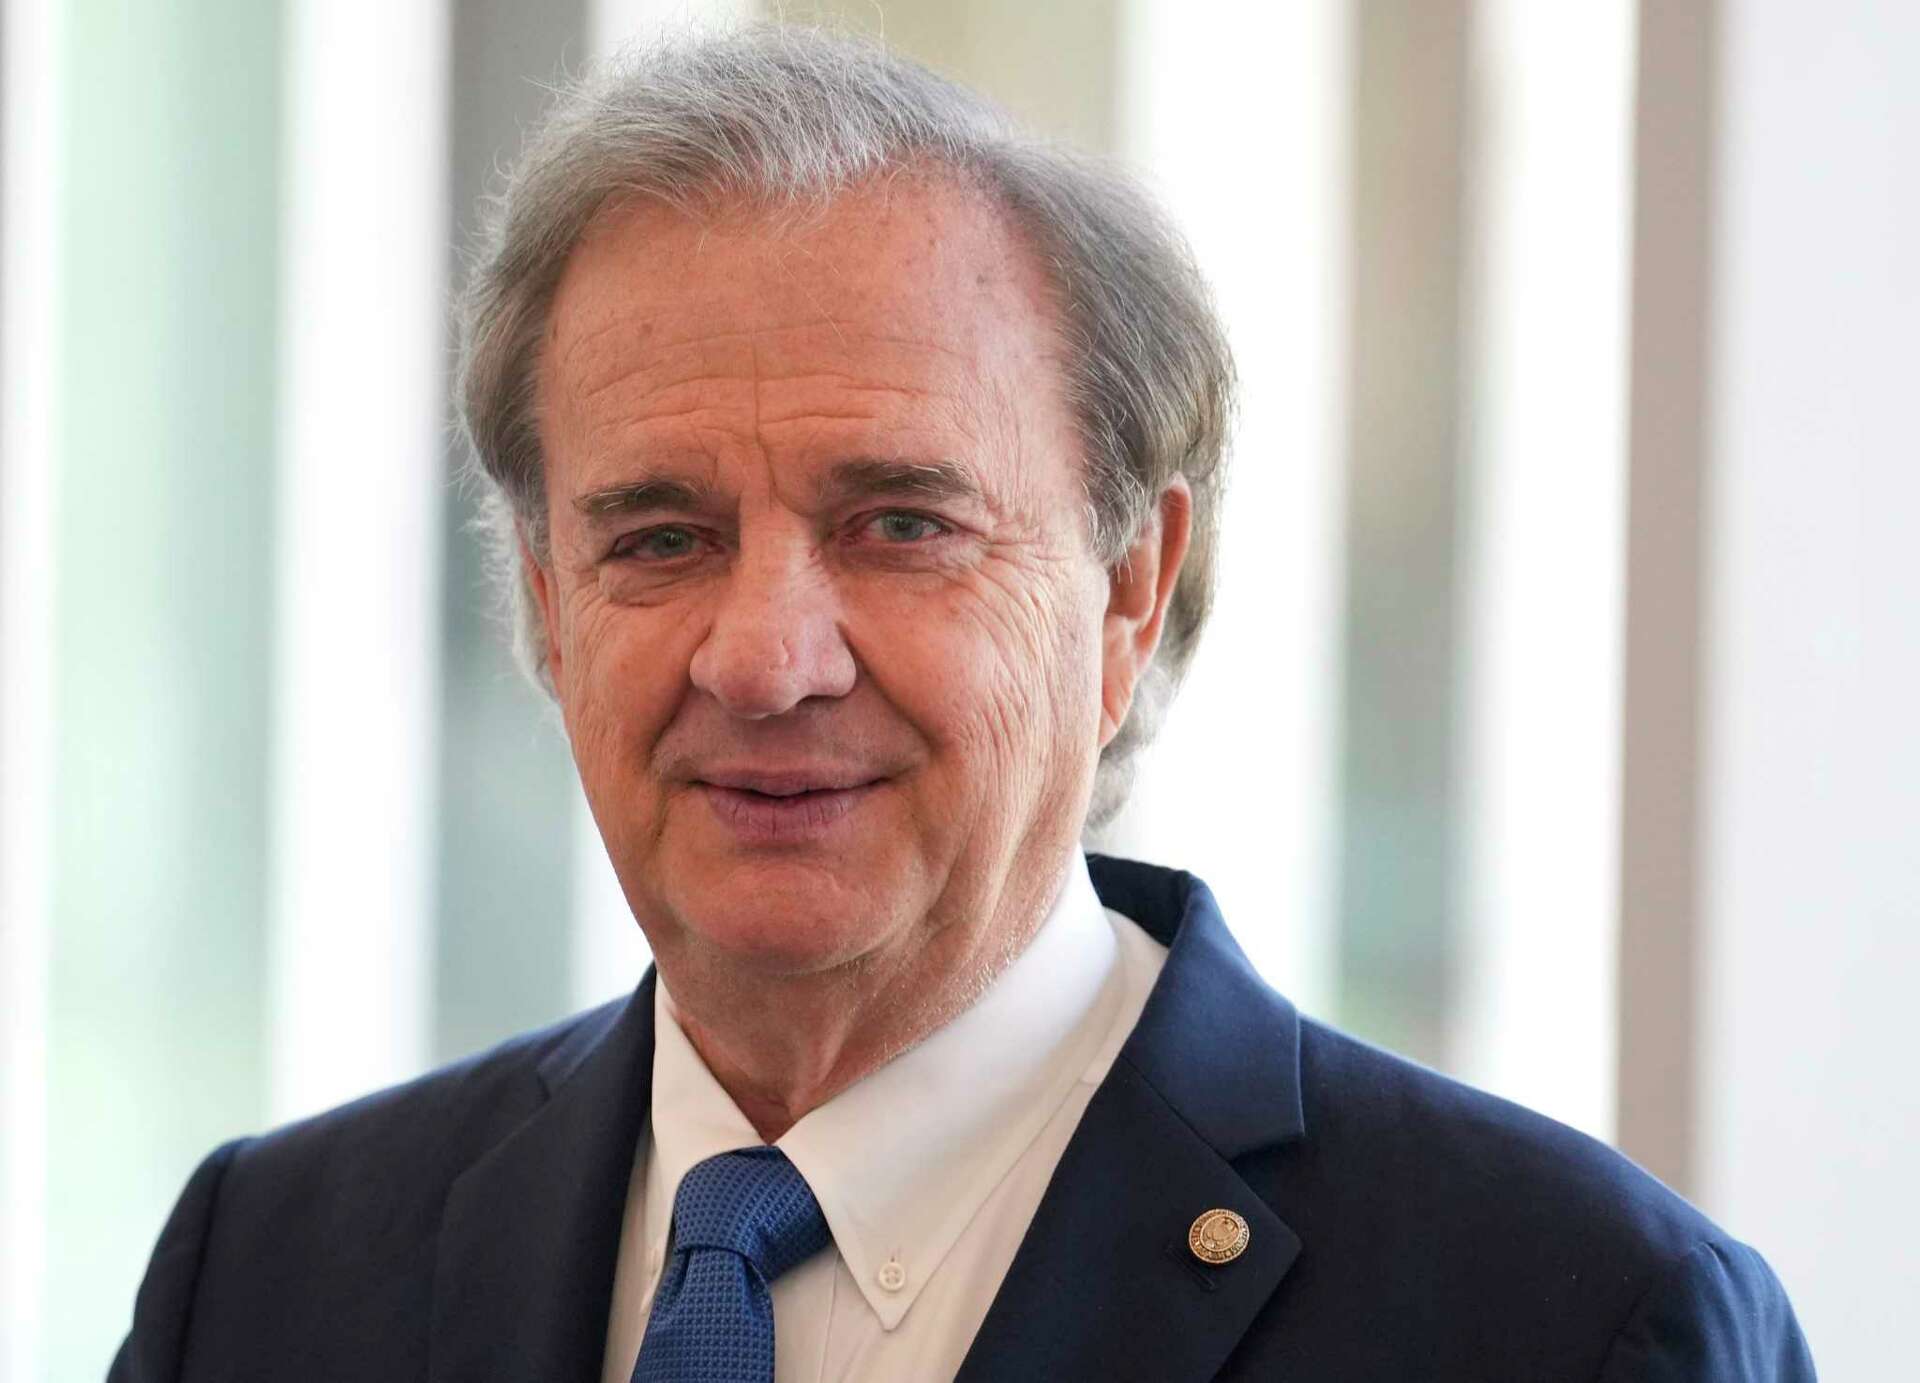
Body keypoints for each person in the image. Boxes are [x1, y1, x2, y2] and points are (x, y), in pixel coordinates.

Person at [111, 26, 1815, 1383]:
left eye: (900, 526)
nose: (765, 659)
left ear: (1129, 585)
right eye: (660, 538)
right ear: (550, 607)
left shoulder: (1571, 1320)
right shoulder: (267, 1273)